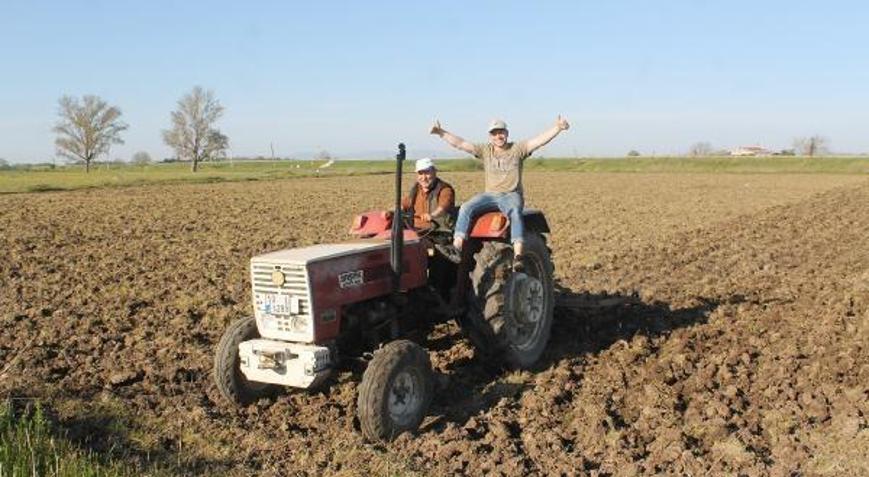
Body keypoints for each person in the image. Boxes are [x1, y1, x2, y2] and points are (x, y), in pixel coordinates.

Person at [430, 117, 570, 271]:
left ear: (507, 133)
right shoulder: (486, 150)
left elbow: (539, 141)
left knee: (515, 212)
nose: (498, 136)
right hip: (490, 195)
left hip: (511, 194)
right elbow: (461, 144)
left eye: (501, 132)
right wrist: (440, 132)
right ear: (490, 136)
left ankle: (518, 256)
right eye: (495, 133)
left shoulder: (518, 149)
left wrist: (557, 128)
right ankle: (457, 247)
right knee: (466, 208)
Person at [400, 157, 456, 232]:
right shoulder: (416, 189)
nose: (424, 177)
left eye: (427, 173)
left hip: (438, 232)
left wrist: (432, 215)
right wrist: (392, 212)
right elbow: (404, 204)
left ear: (434, 172)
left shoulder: (445, 189)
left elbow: (443, 206)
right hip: (417, 231)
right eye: (420, 173)